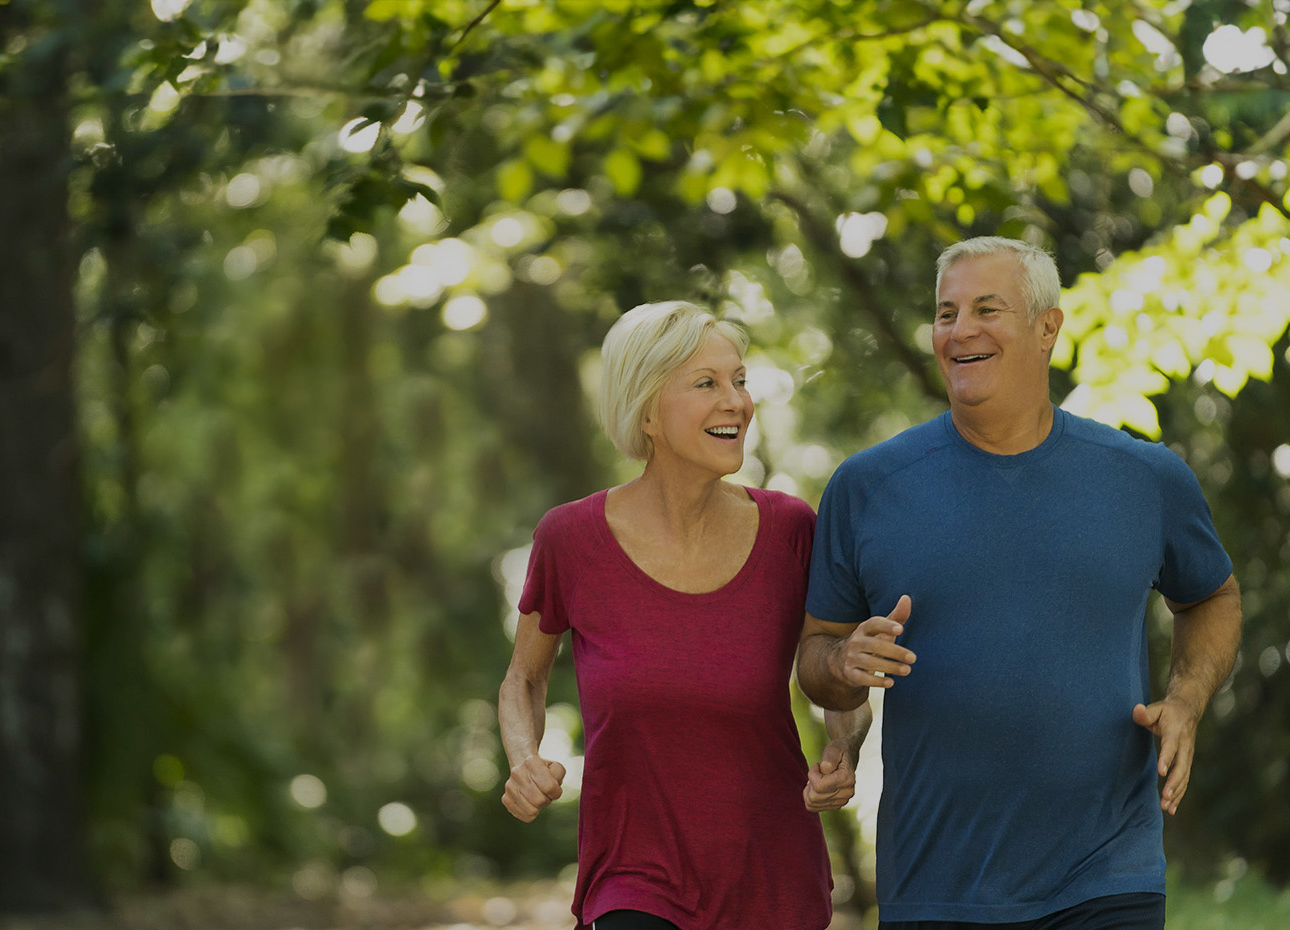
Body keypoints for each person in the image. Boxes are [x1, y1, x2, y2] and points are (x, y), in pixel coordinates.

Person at [797, 237, 1243, 929]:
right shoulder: (867, 487)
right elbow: (817, 659)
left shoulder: (1144, 478)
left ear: (1047, 327)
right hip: (935, 881)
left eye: (986, 308)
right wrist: (844, 664)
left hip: (1106, 876)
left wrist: (1186, 700)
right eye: (946, 313)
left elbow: (1212, 595)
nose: (960, 330)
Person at [499, 300, 866, 930]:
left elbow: (831, 670)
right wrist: (524, 759)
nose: (738, 402)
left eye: (740, 380)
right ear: (645, 410)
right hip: (632, 877)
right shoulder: (571, 539)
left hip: (770, 874)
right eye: (707, 384)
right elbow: (524, 680)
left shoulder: (791, 531)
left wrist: (843, 748)